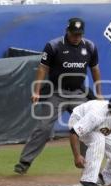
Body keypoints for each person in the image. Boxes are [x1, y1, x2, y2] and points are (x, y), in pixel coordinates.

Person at [14, 17, 103, 174]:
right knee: (43, 127)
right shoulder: (54, 45)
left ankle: (88, 163)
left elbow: (95, 69)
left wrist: (99, 94)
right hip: (57, 93)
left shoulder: (89, 46)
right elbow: (43, 68)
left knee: (87, 125)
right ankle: (24, 162)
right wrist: (36, 90)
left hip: (78, 93)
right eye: (74, 34)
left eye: (79, 34)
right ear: (67, 31)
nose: (77, 37)